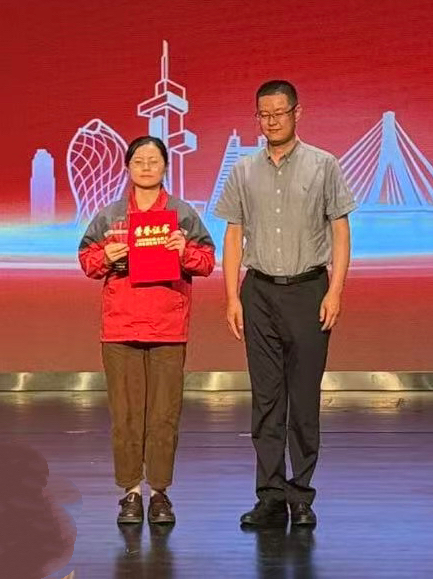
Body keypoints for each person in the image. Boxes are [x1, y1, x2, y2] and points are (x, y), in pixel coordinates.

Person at [214, 80, 356, 529]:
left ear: (298, 112)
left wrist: (336, 290)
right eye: (264, 114)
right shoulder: (243, 170)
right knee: (266, 400)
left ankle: (301, 494)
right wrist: (231, 295)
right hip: (258, 293)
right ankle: (270, 496)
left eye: (280, 112)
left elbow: (340, 231)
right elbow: (233, 234)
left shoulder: (324, 164)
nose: (272, 121)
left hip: (309, 290)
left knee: (304, 399)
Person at [78, 135, 216, 526]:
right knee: (125, 416)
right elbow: (87, 260)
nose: (146, 167)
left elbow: (207, 261)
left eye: (154, 160)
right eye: (139, 160)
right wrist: (106, 255)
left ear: (165, 166)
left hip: (167, 327)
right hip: (121, 327)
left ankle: (159, 492)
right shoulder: (110, 216)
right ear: (127, 167)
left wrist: (182, 251)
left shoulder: (182, 214)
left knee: (163, 415)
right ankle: (130, 492)